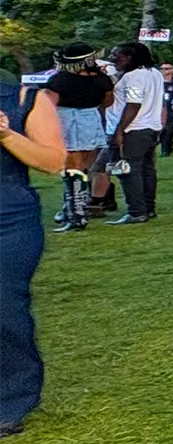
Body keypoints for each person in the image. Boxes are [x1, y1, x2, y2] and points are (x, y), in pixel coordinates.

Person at [2, 76, 66, 438]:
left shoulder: (24, 97)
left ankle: (9, 401)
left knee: (4, 308)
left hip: (7, 222)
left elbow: (54, 161)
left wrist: (7, 136)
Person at [39, 44, 112, 233]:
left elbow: (49, 103)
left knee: (71, 169)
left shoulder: (60, 79)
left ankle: (76, 216)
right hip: (92, 118)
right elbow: (107, 102)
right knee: (83, 168)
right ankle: (71, 210)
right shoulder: (103, 79)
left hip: (67, 119)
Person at [104, 42, 169, 226]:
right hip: (151, 127)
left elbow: (133, 104)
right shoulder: (154, 73)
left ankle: (136, 211)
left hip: (133, 129)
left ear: (129, 57)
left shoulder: (134, 77)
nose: (112, 58)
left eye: (116, 55)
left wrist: (119, 131)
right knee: (147, 169)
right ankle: (148, 208)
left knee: (128, 170)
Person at [155, 63, 173, 157]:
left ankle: (166, 150)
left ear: (171, 70)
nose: (163, 70)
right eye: (161, 69)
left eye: (166, 68)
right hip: (157, 109)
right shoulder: (156, 82)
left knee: (168, 130)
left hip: (171, 109)